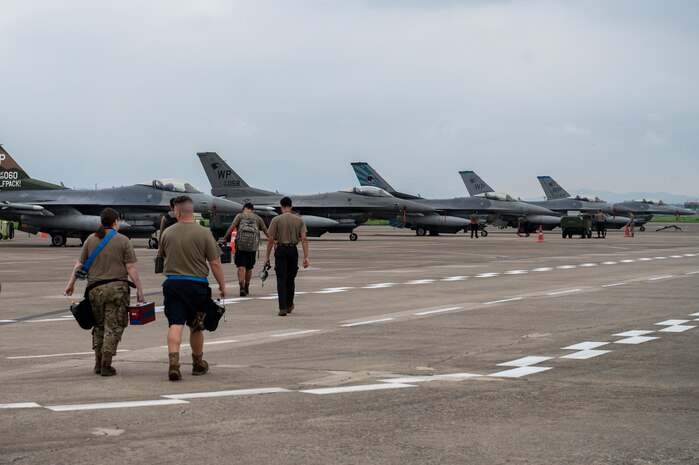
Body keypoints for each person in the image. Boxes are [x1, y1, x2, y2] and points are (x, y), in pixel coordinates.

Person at [64, 208, 144, 376]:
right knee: (113, 327)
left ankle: (98, 363)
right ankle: (106, 365)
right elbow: (130, 267)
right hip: (117, 290)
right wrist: (140, 290)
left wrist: (70, 284)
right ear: (116, 221)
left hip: (94, 290)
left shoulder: (90, 239)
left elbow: (79, 264)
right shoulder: (123, 240)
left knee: (99, 326)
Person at [159, 195, 227, 381]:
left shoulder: (167, 233)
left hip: (173, 283)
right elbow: (215, 263)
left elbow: (162, 256)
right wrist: (222, 286)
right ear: (192, 211)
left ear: (178, 211)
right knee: (196, 326)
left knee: (175, 323)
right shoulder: (205, 233)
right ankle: (197, 364)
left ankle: (174, 364)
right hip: (197, 285)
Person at [264, 197, 309, 316]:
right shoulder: (299, 220)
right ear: (291, 206)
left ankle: (282, 307)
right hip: (293, 250)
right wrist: (306, 257)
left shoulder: (276, 220)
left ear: (281, 206)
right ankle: (290, 304)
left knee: (281, 279)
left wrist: (267, 257)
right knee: (291, 279)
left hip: (281, 250)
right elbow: (304, 238)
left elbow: (271, 239)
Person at [221, 203, 269, 296]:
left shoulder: (240, 216)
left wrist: (224, 238)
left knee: (241, 266)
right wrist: (273, 242)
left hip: (241, 246)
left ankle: (241, 285)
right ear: (252, 209)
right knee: (249, 267)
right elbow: (265, 231)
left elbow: (232, 227)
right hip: (252, 247)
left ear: (244, 208)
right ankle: (247, 285)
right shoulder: (258, 218)